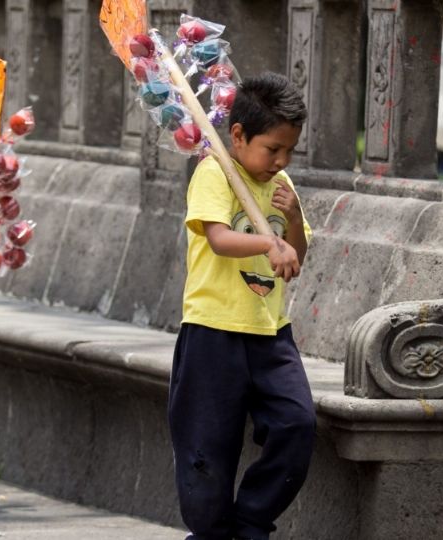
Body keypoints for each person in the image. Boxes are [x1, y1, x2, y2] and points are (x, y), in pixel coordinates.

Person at [169, 72, 316, 540]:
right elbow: (219, 238)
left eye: (289, 150)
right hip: (213, 331)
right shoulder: (214, 171)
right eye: (273, 149)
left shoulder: (282, 183)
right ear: (238, 135)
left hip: (271, 332)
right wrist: (269, 242)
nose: (281, 160)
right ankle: (211, 533)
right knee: (206, 452)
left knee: (297, 422)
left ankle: (250, 523)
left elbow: (297, 255)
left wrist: (291, 222)